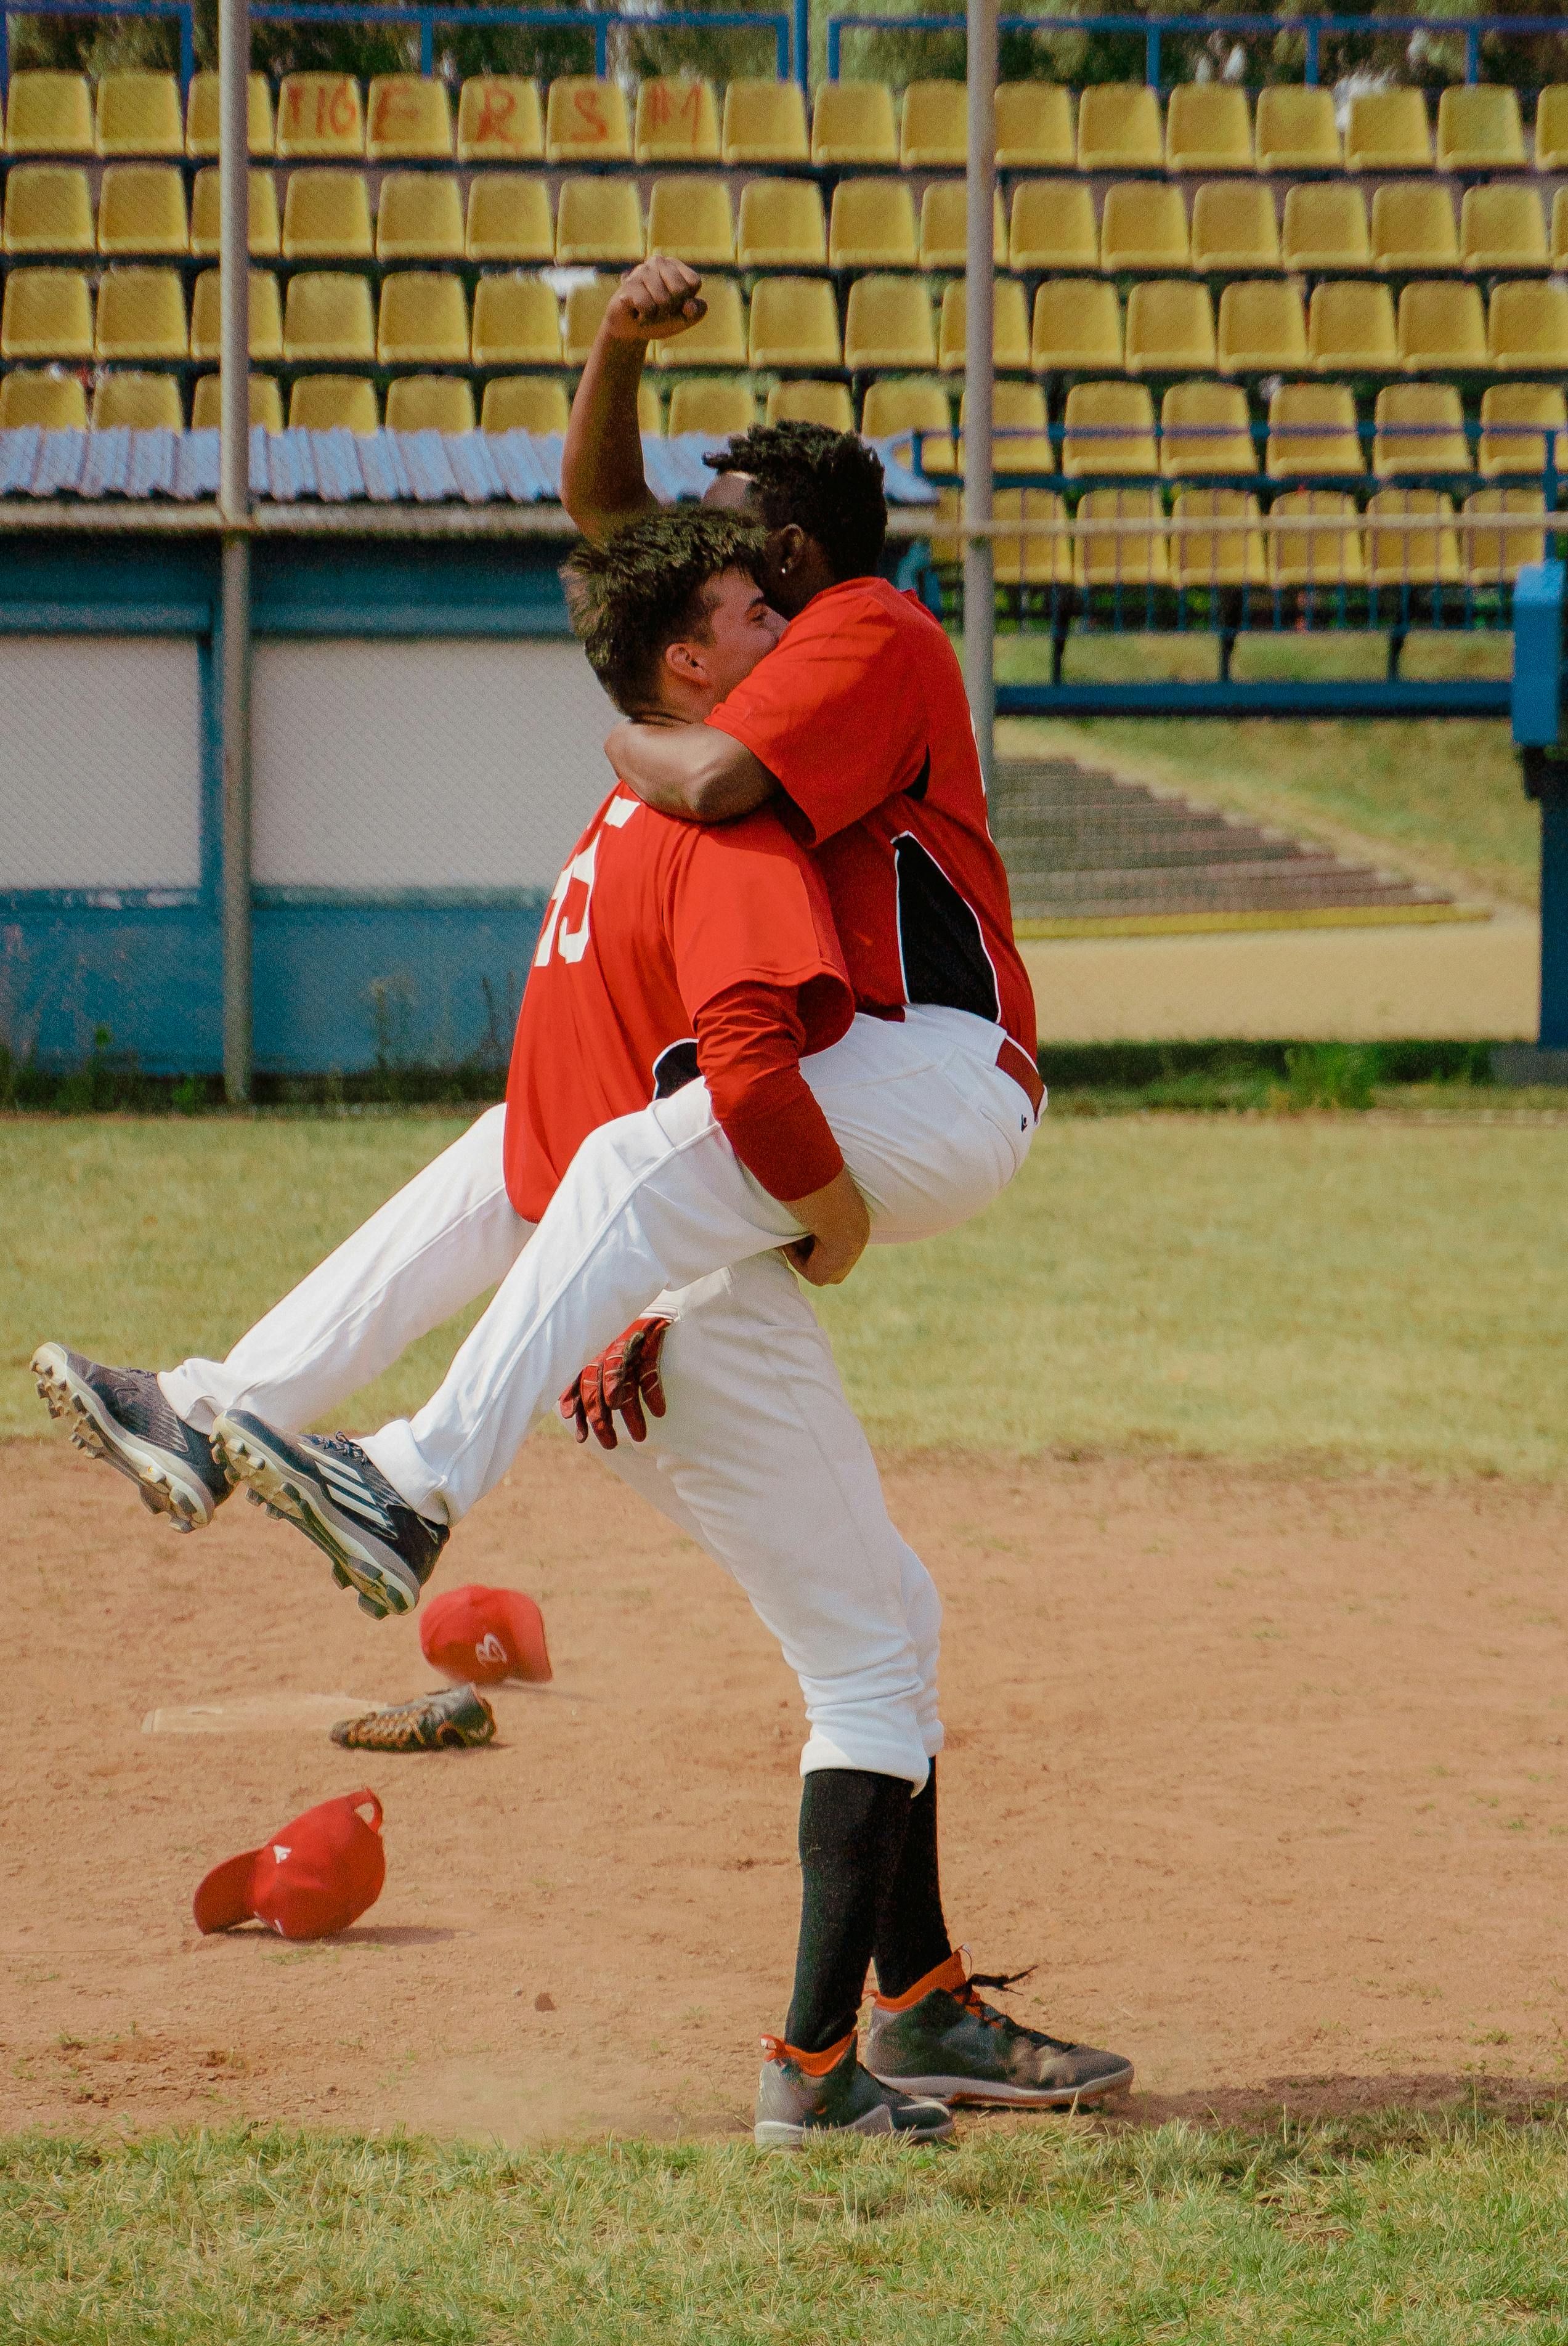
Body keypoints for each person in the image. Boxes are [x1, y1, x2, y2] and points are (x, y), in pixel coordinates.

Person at [36, 509, 1130, 2137]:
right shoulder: (740, 827)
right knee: (875, 1659)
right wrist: (827, 1237)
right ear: (692, 660)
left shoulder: (609, 824)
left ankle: (214, 1407)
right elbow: (743, 1083)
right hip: (679, 1308)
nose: (793, 631)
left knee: (875, 1610)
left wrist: (600, 1293)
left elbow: (538, 1143)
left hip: (616, 1292)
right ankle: (819, 2071)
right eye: (760, 611)